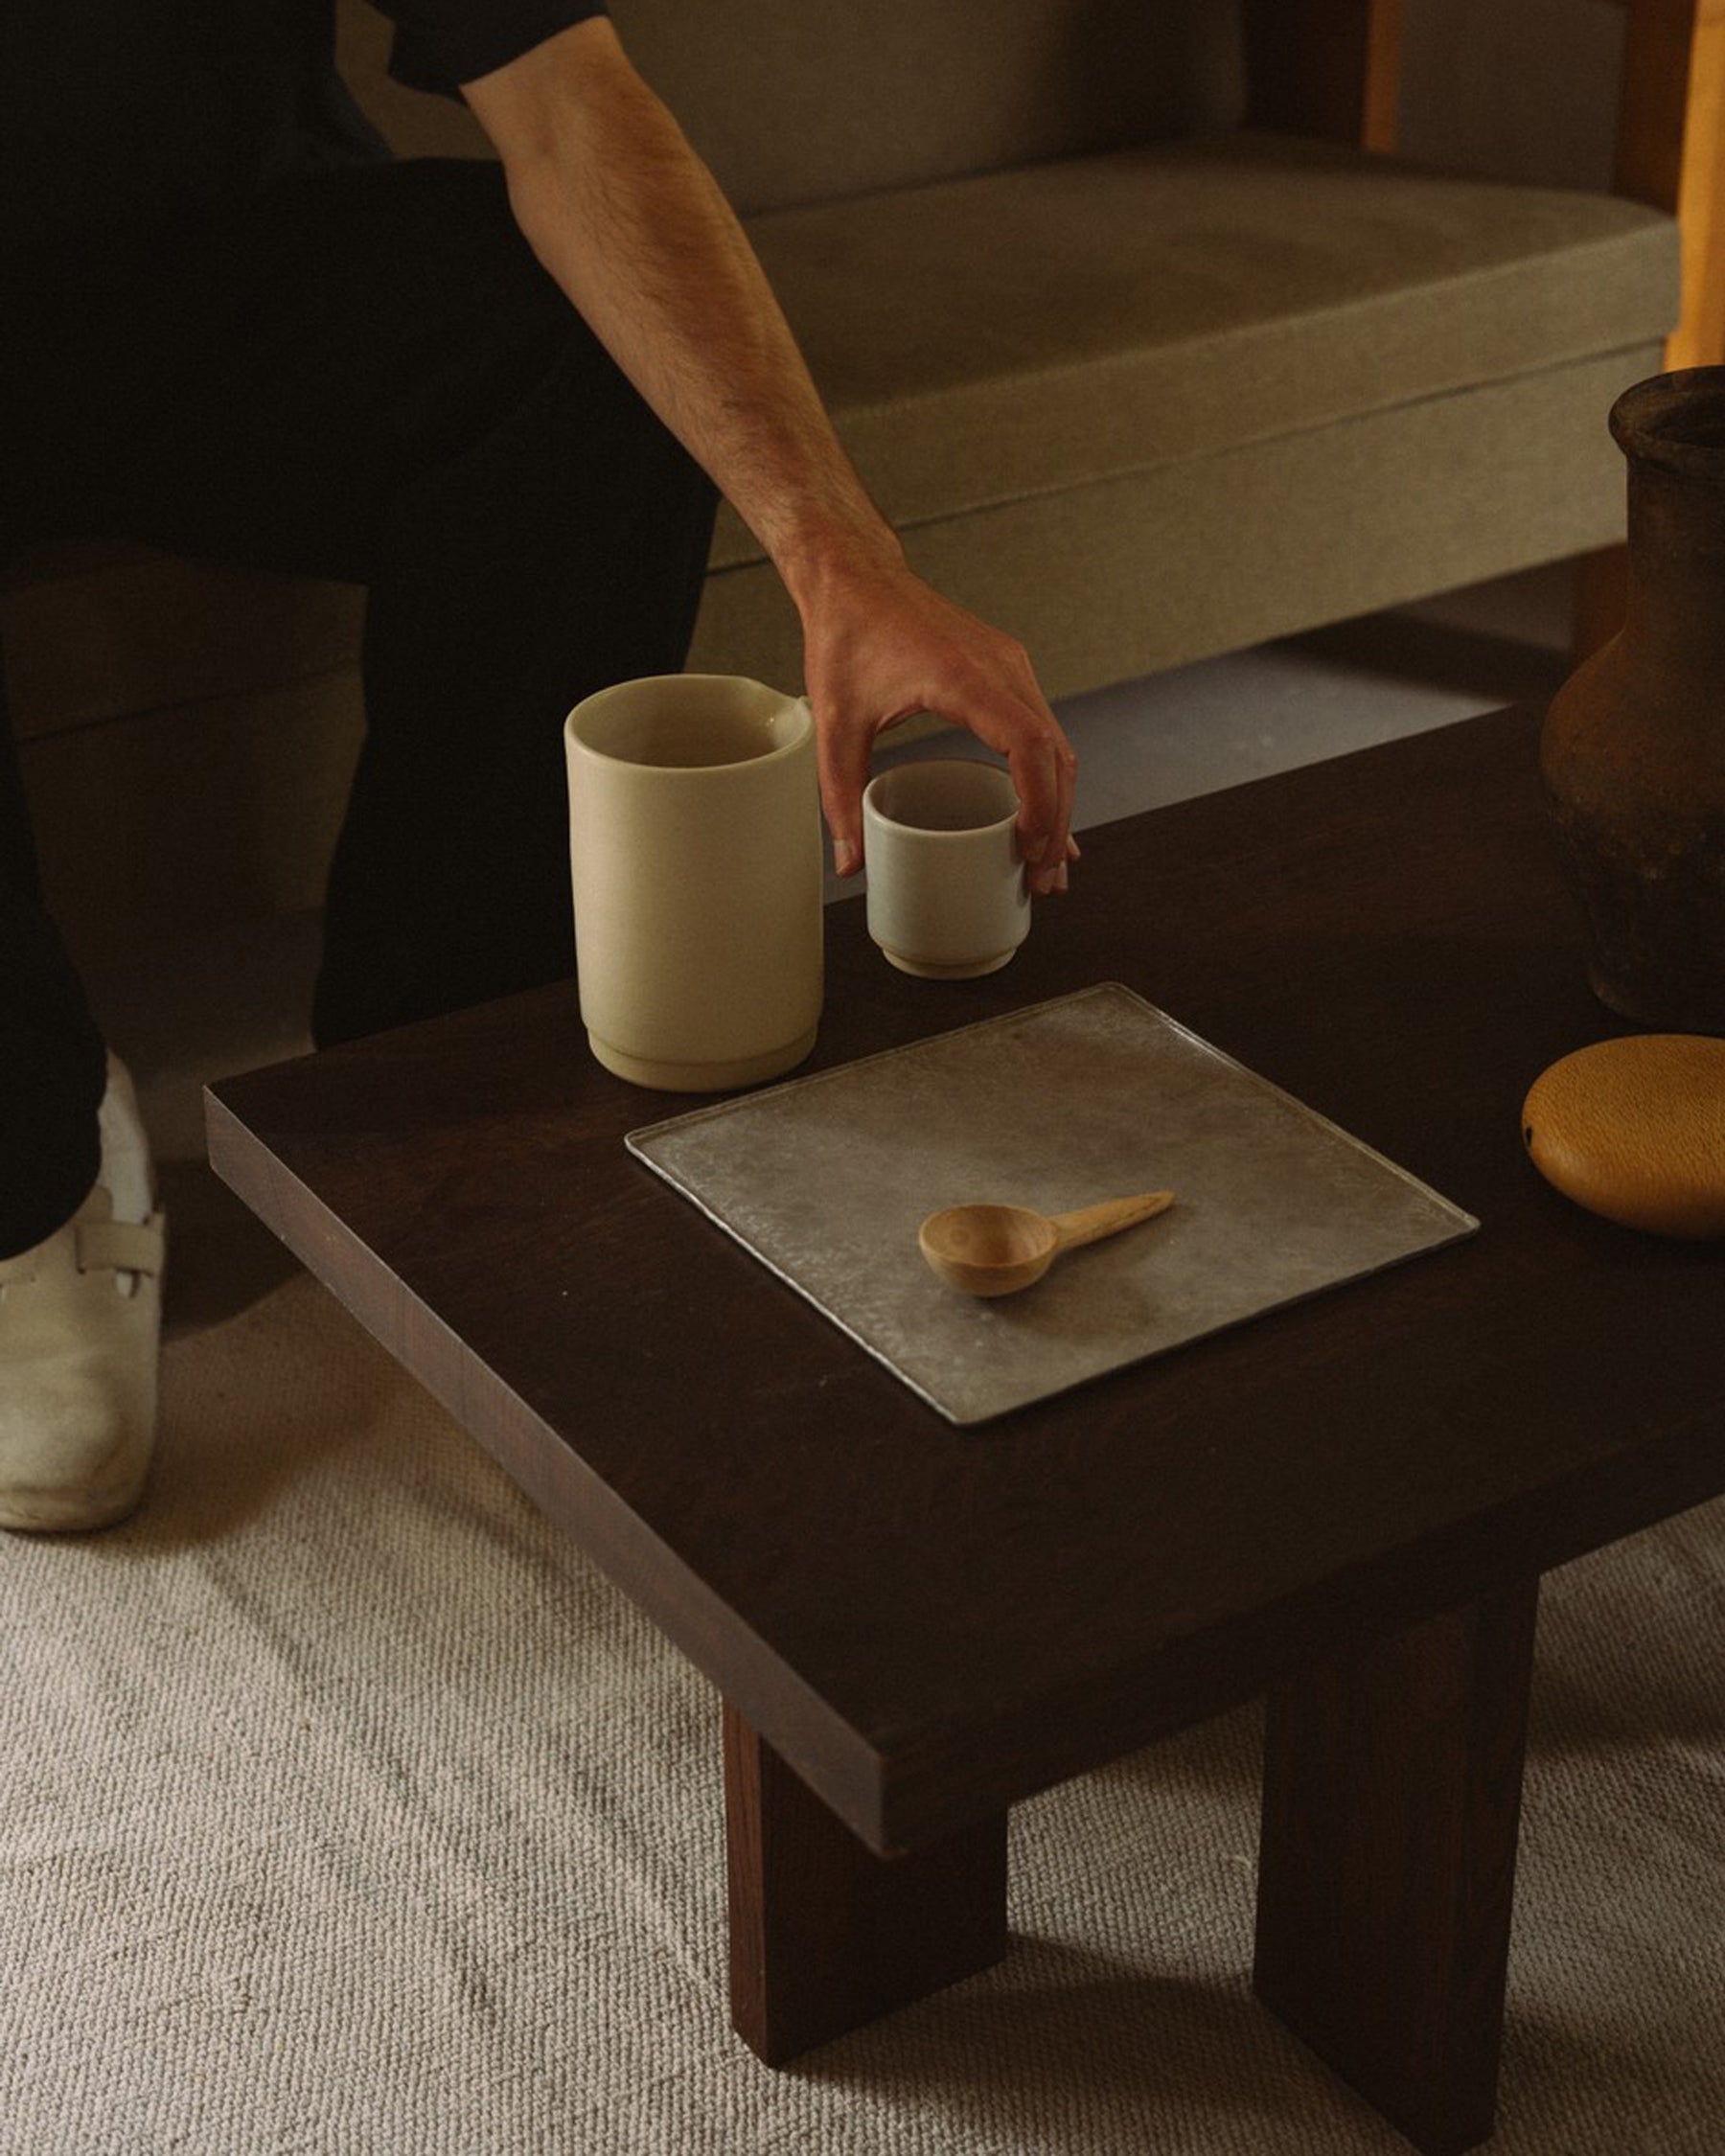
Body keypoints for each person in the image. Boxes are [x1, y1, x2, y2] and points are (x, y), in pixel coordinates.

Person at [0, 1, 1078, 1531]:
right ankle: (22, 1171)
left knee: (574, 337)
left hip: (218, 254)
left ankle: (436, 1086)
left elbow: (568, 104)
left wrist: (841, 559)